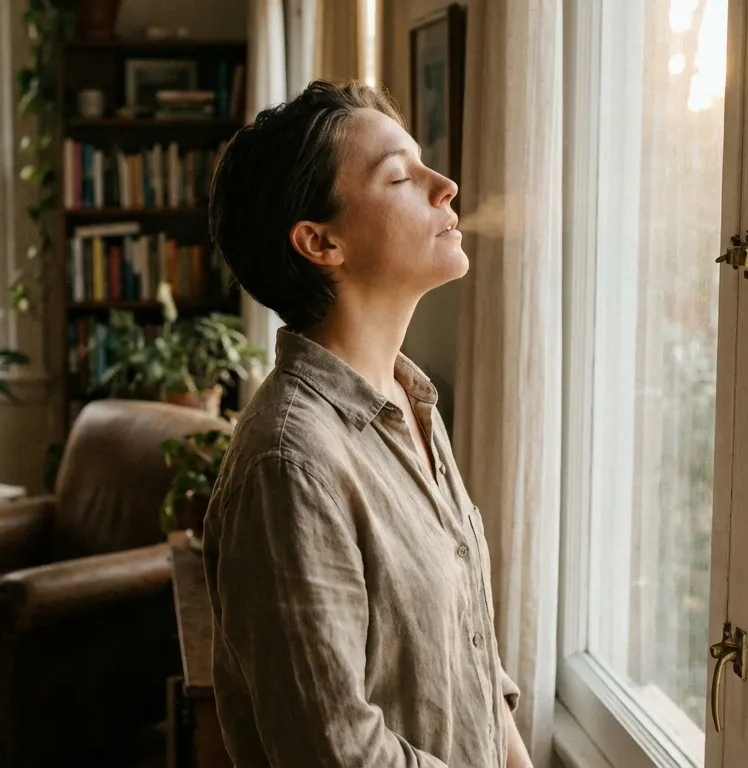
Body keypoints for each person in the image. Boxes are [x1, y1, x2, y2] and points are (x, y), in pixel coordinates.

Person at [203, 79, 534, 768]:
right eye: (399, 176)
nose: (444, 186)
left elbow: (471, 663)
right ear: (320, 241)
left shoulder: (411, 405)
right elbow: (335, 754)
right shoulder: (290, 463)